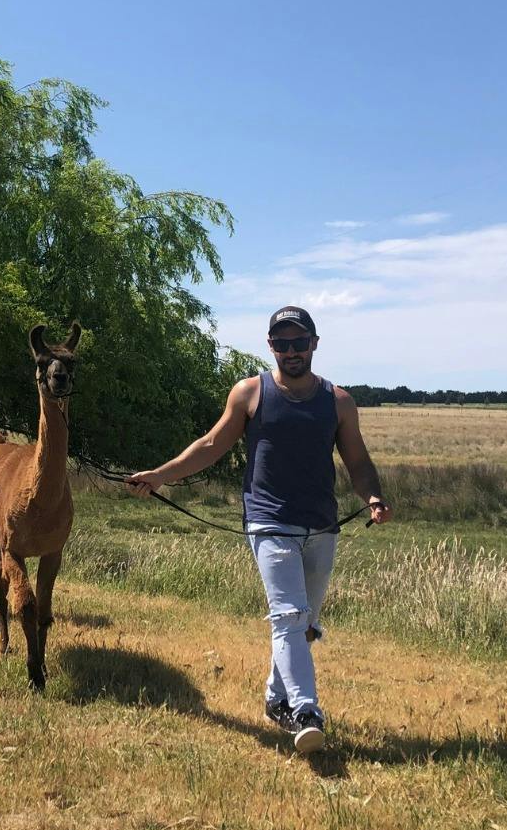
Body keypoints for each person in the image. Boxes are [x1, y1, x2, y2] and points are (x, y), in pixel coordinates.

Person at [126, 307, 391, 754]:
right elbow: (211, 445)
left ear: (314, 343)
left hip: (321, 525)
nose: (291, 351)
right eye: (281, 343)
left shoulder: (338, 402)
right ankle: (307, 712)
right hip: (268, 521)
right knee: (287, 615)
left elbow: (358, 462)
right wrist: (160, 475)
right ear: (271, 346)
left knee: (304, 624)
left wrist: (373, 497)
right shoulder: (251, 393)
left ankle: (276, 697)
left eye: (298, 342)